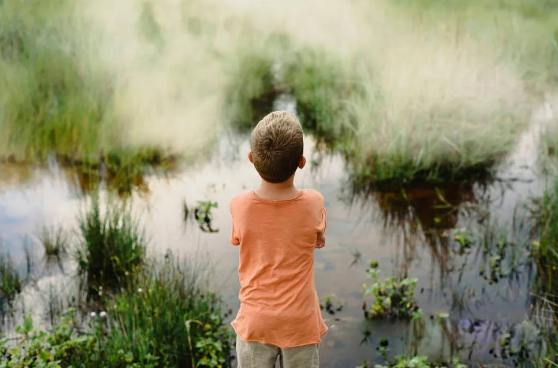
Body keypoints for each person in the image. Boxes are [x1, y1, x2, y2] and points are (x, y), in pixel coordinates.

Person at [229, 111, 327, 368]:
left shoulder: (239, 206)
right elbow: (318, 236)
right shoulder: (314, 202)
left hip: (255, 321)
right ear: (302, 162)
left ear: (251, 158)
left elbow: (239, 238)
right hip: (300, 322)